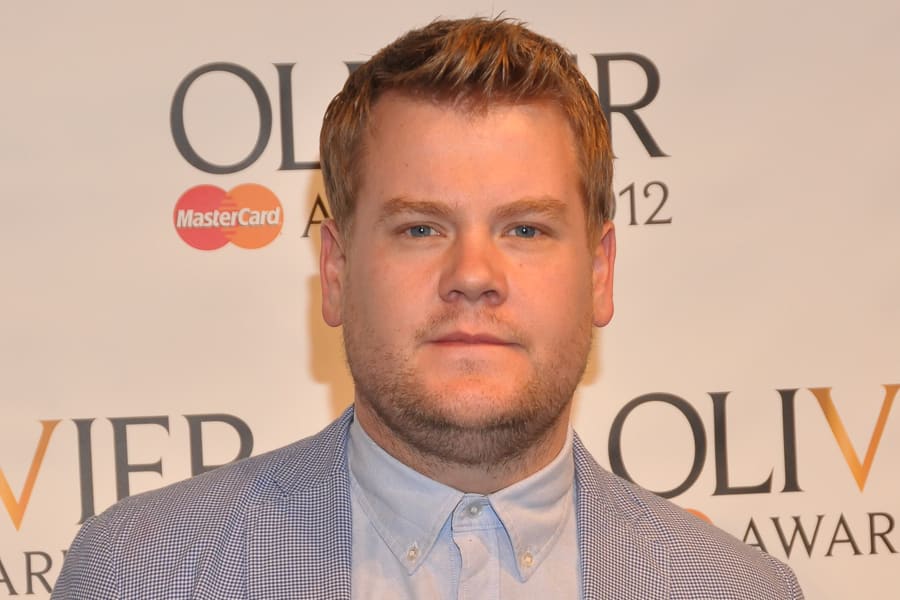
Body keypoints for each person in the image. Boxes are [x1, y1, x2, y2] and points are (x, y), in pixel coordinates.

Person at [53, 17, 804, 600]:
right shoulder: (142, 573)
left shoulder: (736, 589)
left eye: (525, 229)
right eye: (420, 228)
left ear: (601, 272)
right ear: (336, 272)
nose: (472, 275)